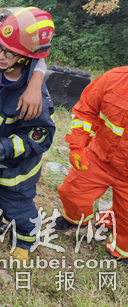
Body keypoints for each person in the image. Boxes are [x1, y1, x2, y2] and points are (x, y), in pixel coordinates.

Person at [0, 7, 56, 262]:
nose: (0, 55)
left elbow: (40, 136)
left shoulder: (32, 98)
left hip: (14, 173)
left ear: (27, 58)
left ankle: (26, 238)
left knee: (17, 207)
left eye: (10, 52)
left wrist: (2, 148)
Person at [52, 66, 128, 264]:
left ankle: (122, 249)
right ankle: (74, 219)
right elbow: (86, 111)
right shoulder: (113, 78)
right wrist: (77, 147)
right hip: (98, 156)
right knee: (72, 192)